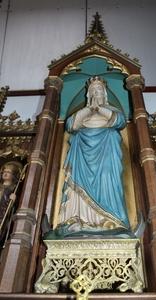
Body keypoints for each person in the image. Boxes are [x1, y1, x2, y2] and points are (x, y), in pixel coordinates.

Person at [46, 77, 131, 239]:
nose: (95, 92)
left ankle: (110, 221)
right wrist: (89, 109)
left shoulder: (112, 110)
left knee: (107, 180)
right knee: (78, 188)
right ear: (88, 94)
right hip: (82, 158)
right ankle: (79, 220)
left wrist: (99, 108)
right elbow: (71, 125)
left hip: (106, 155)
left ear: (104, 93)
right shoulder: (81, 113)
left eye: (99, 90)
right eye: (92, 90)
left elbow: (119, 122)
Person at [0, 161, 22, 246]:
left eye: (8, 172)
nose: (5, 174)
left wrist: (14, 200)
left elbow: (12, 208)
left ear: (13, 175)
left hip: (2, 216)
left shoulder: (13, 189)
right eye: (4, 172)